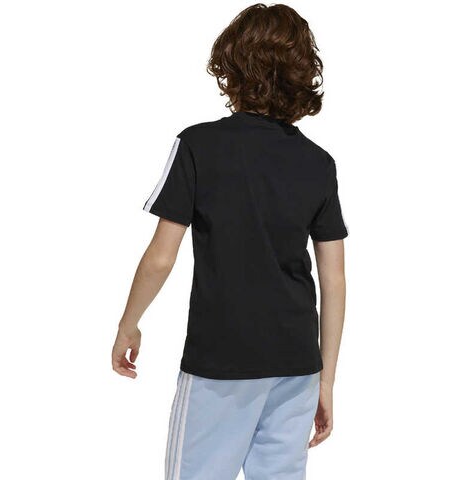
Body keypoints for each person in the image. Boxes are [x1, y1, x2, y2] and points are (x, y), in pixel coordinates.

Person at [111, 3, 349, 479]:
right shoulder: (318, 163)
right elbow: (334, 279)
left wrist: (128, 324)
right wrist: (326, 379)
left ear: (231, 67)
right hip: (297, 363)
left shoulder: (199, 145)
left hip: (220, 361)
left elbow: (161, 257)